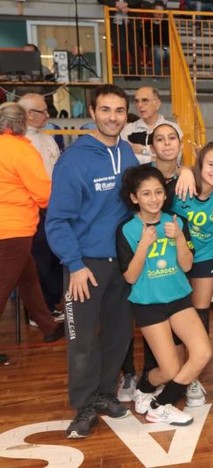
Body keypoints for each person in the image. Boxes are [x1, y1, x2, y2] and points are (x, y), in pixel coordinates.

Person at [46, 84, 140, 439]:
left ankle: (104, 394)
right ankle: (83, 405)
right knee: (83, 340)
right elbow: (57, 220)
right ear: (93, 112)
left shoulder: (127, 152)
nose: (113, 118)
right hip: (85, 264)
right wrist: (74, 263)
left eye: (119, 111)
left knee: (118, 336)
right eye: (106, 110)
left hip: (122, 262)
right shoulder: (75, 159)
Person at [117, 165, 212, 426]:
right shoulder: (127, 229)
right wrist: (144, 247)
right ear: (134, 198)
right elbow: (130, 277)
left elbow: (187, 265)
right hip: (148, 304)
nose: (154, 198)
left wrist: (180, 237)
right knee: (169, 370)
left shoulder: (176, 221)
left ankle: (160, 404)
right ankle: (145, 388)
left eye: (158, 192)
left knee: (202, 353)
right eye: (146, 194)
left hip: (179, 299)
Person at [168, 140, 213, 401]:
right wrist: (183, 169)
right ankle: (171, 371)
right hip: (174, 257)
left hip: (205, 256)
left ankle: (192, 375)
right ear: (200, 164)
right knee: (174, 312)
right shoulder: (181, 186)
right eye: (211, 165)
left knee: (200, 313)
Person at [0, 102, 65, 365]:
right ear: (21, 124)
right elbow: (43, 193)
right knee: (3, 288)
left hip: (7, 229)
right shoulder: (22, 151)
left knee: (28, 278)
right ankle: (48, 326)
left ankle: (48, 327)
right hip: (14, 228)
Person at [17, 93, 63, 319]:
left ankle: (50, 303)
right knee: (40, 259)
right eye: (42, 111)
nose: (47, 115)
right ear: (27, 114)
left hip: (53, 204)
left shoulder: (47, 137)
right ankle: (41, 310)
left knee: (54, 256)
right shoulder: (20, 142)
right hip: (34, 208)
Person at [121, 87, 183, 164]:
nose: (140, 105)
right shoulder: (128, 130)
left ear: (157, 104)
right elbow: (126, 158)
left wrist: (144, 150)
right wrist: (153, 158)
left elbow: (175, 159)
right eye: (137, 101)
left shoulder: (173, 128)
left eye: (145, 101)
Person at [98, 0, 142, 76]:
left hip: (131, 23)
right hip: (116, 24)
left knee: (134, 48)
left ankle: (136, 72)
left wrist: (125, 4)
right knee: (121, 48)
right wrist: (116, 4)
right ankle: (124, 72)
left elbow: (138, 1)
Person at [146, 1, 170, 75]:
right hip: (153, 48)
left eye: (161, 12)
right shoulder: (147, 24)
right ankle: (157, 75)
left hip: (165, 47)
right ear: (153, 12)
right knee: (159, 52)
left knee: (169, 51)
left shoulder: (167, 23)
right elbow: (146, 40)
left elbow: (168, 40)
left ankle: (172, 75)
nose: (159, 14)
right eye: (157, 11)